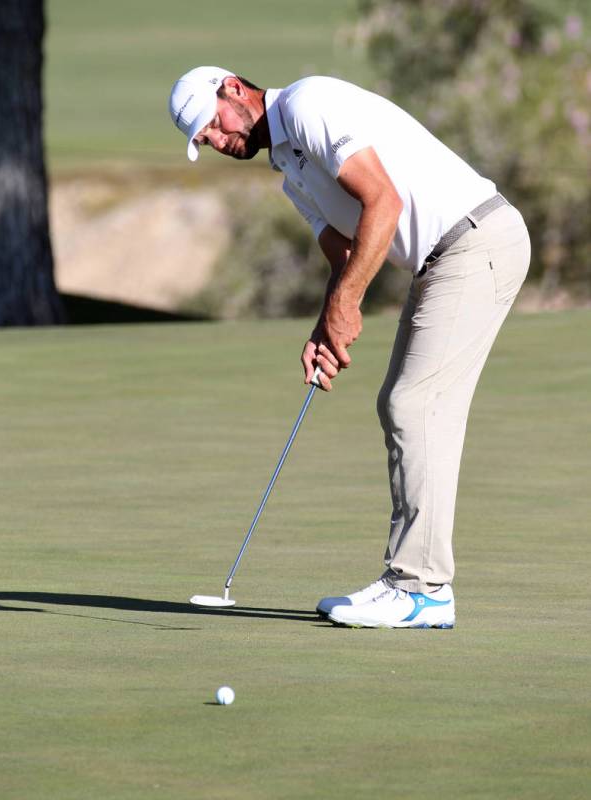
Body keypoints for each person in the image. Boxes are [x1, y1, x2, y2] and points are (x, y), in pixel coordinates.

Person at [168, 67, 531, 629]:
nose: (216, 141)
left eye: (211, 125)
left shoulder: (311, 105)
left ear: (234, 89)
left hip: (475, 241)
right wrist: (325, 325)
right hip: (442, 262)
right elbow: (344, 256)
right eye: (203, 141)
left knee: (413, 405)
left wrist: (345, 309)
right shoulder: (290, 171)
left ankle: (421, 588)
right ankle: (414, 584)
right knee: (410, 406)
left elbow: (383, 205)